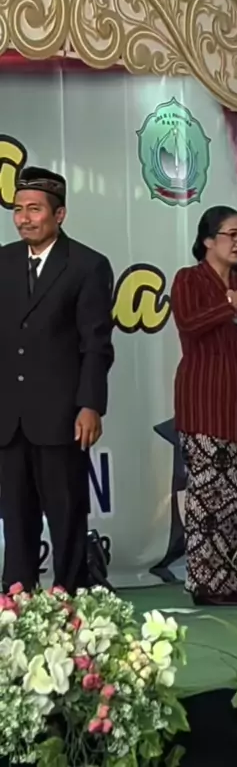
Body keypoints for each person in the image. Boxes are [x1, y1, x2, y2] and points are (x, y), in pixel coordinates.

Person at [0, 166, 114, 594]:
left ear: (59, 214)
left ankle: (71, 599)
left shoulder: (86, 266)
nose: (24, 218)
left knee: (66, 515)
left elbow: (96, 345)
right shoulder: (3, 262)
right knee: (15, 517)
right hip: (9, 417)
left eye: (34, 209)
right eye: (18, 209)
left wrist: (90, 404)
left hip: (62, 415)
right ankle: (16, 601)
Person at [171, 205, 237, 606]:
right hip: (208, 404)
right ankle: (207, 584)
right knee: (210, 497)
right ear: (207, 240)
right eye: (231, 235)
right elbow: (191, 322)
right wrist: (235, 299)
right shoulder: (189, 279)